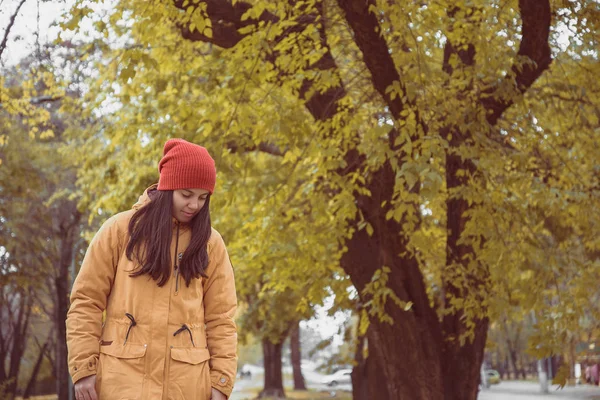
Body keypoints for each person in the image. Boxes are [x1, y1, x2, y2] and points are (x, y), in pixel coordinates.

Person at [66, 139, 238, 400]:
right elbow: (86, 301)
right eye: (187, 194)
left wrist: (220, 383)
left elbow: (221, 319)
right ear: (167, 188)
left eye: (203, 197)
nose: (195, 205)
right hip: (120, 384)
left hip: (187, 388)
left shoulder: (210, 244)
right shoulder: (119, 231)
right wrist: (84, 368)